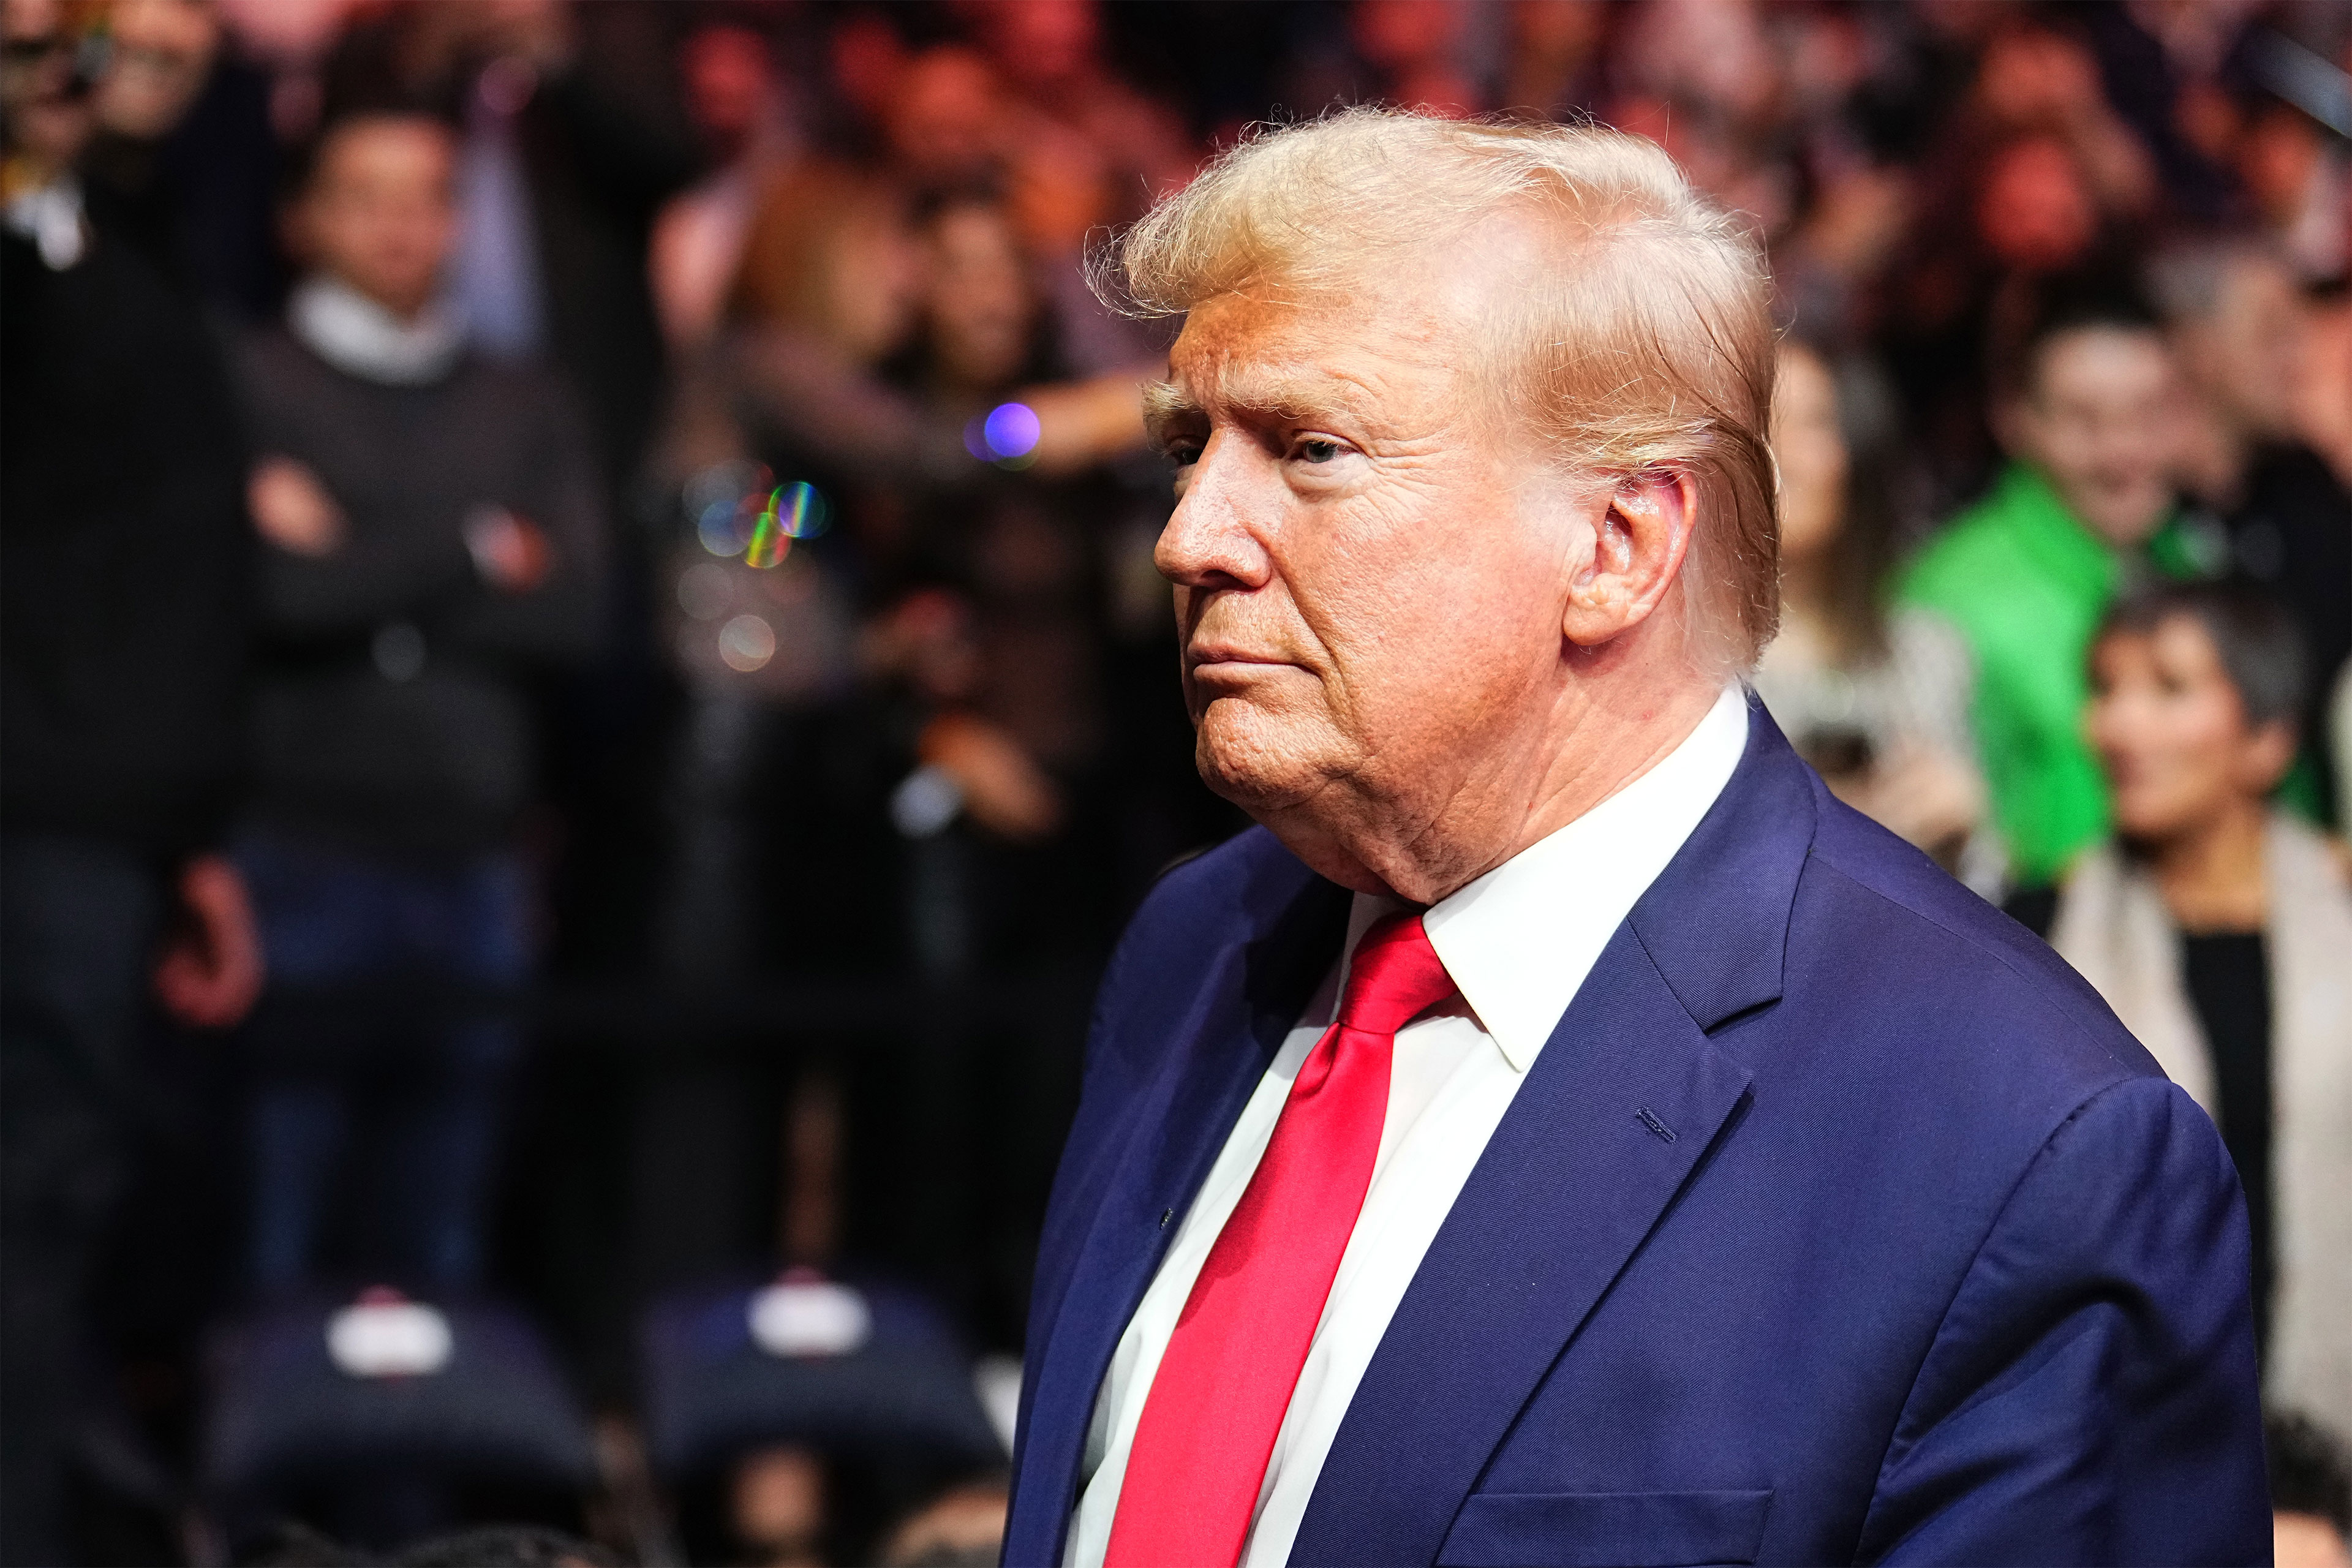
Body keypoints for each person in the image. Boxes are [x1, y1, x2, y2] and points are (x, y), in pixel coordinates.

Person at [1003, 109, 2265, 1567]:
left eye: (1311, 447)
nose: (1190, 531)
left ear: (1616, 546)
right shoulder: (1192, 947)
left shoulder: (2012, 1142)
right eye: (1187, 442)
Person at [230, 109, 604, 1294]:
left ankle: (417, 1485)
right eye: (365, 194)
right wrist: (475, 548)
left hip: (476, 852)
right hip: (297, 847)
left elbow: (576, 614)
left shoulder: (524, 398)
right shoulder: (247, 382)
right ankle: (259, 1480)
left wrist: (363, 568)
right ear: (301, 219)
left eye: (428, 196)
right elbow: (268, 600)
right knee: (276, 1219)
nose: (401, 223)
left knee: (446, 1223)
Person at [1, 3, 263, 1558]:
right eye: (58, 39)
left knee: (58, 1226)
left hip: (110, 818)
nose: (91, 69)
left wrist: (191, 841)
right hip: (33, 814)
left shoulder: (126, 233)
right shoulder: (34, 238)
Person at [2048, 584, 2351, 1441]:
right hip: (2124, 1444)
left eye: (2168, 690)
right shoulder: (2039, 932)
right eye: (2107, 691)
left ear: (2267, 740)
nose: (2116, 726)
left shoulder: (2342, 910)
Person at [1897, 276, 2197, 894]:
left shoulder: (2194, 560)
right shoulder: (1946, 600)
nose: (2122, 450)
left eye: (2147, 414)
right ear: (2014, 420)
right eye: (2084, 420)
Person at [1748, 339, 1989, 887]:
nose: (1777, 452)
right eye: (1755, 423)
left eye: (1809, 425)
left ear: (1861, 447)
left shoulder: (1928, 654)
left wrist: (1964, 829)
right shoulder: (1681, 675)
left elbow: (1994, 891)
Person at [2151, 237, 2352, 824]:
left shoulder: (2307, 486)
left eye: (2299, 330)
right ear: (2195, 346)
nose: (2298, 356)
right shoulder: (2144, 513)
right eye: (2272, 333)